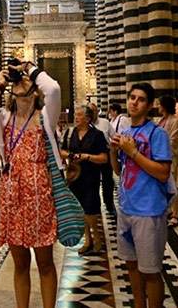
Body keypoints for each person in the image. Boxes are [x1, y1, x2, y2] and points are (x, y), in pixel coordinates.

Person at [0, 60, 62, 308]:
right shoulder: (3, 118)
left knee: (45, 263)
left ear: (35, 89)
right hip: (12, 197)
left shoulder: (45, 117)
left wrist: (30, 69)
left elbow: (53, 90)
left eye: (25, 79)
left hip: (40, 196)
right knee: (20, 264)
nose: (20, 80)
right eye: (17, 78)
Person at [110, 83, 171, 308]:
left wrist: (133, 152)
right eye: (132, 97)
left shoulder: (157, 133)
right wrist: (113, 151)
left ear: (150, 105)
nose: (134, 102)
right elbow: (118, 171)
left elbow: (163, 173)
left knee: (151, 272)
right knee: (132, 268)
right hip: (127, 208)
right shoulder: (125, 133)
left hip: (149, 211)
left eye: (141, 99)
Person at [60, 105, 107, 255]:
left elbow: (104, 158)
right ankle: (88, 239)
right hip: (75, 176)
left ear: (87, 119)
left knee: (90, 209)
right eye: (76, 115)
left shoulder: (97, 135)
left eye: (80, 115)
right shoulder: (69, 133)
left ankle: (97, 235)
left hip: (91, 176)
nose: (76, 117)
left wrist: (86, 157)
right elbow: (61, 150)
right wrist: (69, 156)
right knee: (80, 209)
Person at [88, 102, 116, 215]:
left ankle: (109, 204)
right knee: (93, 182)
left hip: (105, 155)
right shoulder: (86, 124)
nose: (92, 113)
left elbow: (114, 136)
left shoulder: (105, 123)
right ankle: (95, 206)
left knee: (108, 181)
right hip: (92, 158)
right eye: (90, 111)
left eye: (94, 111)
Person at [157, 95, 178, 228]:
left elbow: (173, 141)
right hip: (160, 158)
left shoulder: (174, 121)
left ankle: (176, 215)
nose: (158, 107)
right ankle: (168, 210)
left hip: (169, 158)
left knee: (172, 186)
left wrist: (160, 148)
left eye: (160, 104)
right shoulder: (161, 120)